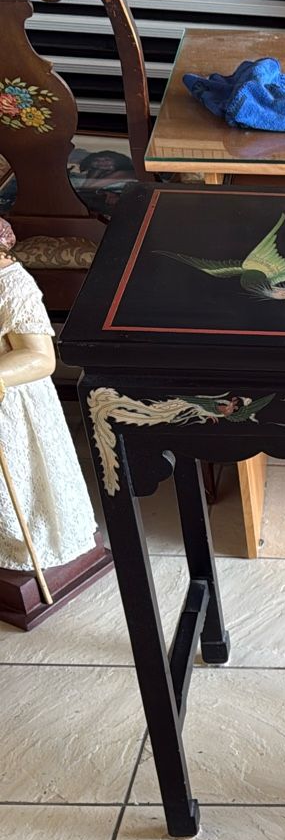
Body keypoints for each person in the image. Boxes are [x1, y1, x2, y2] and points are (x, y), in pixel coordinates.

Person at [0, 217, 99, 573]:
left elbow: (41, 358)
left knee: (20, 487)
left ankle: (25, 551)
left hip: (11, 406)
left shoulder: (14, 287)